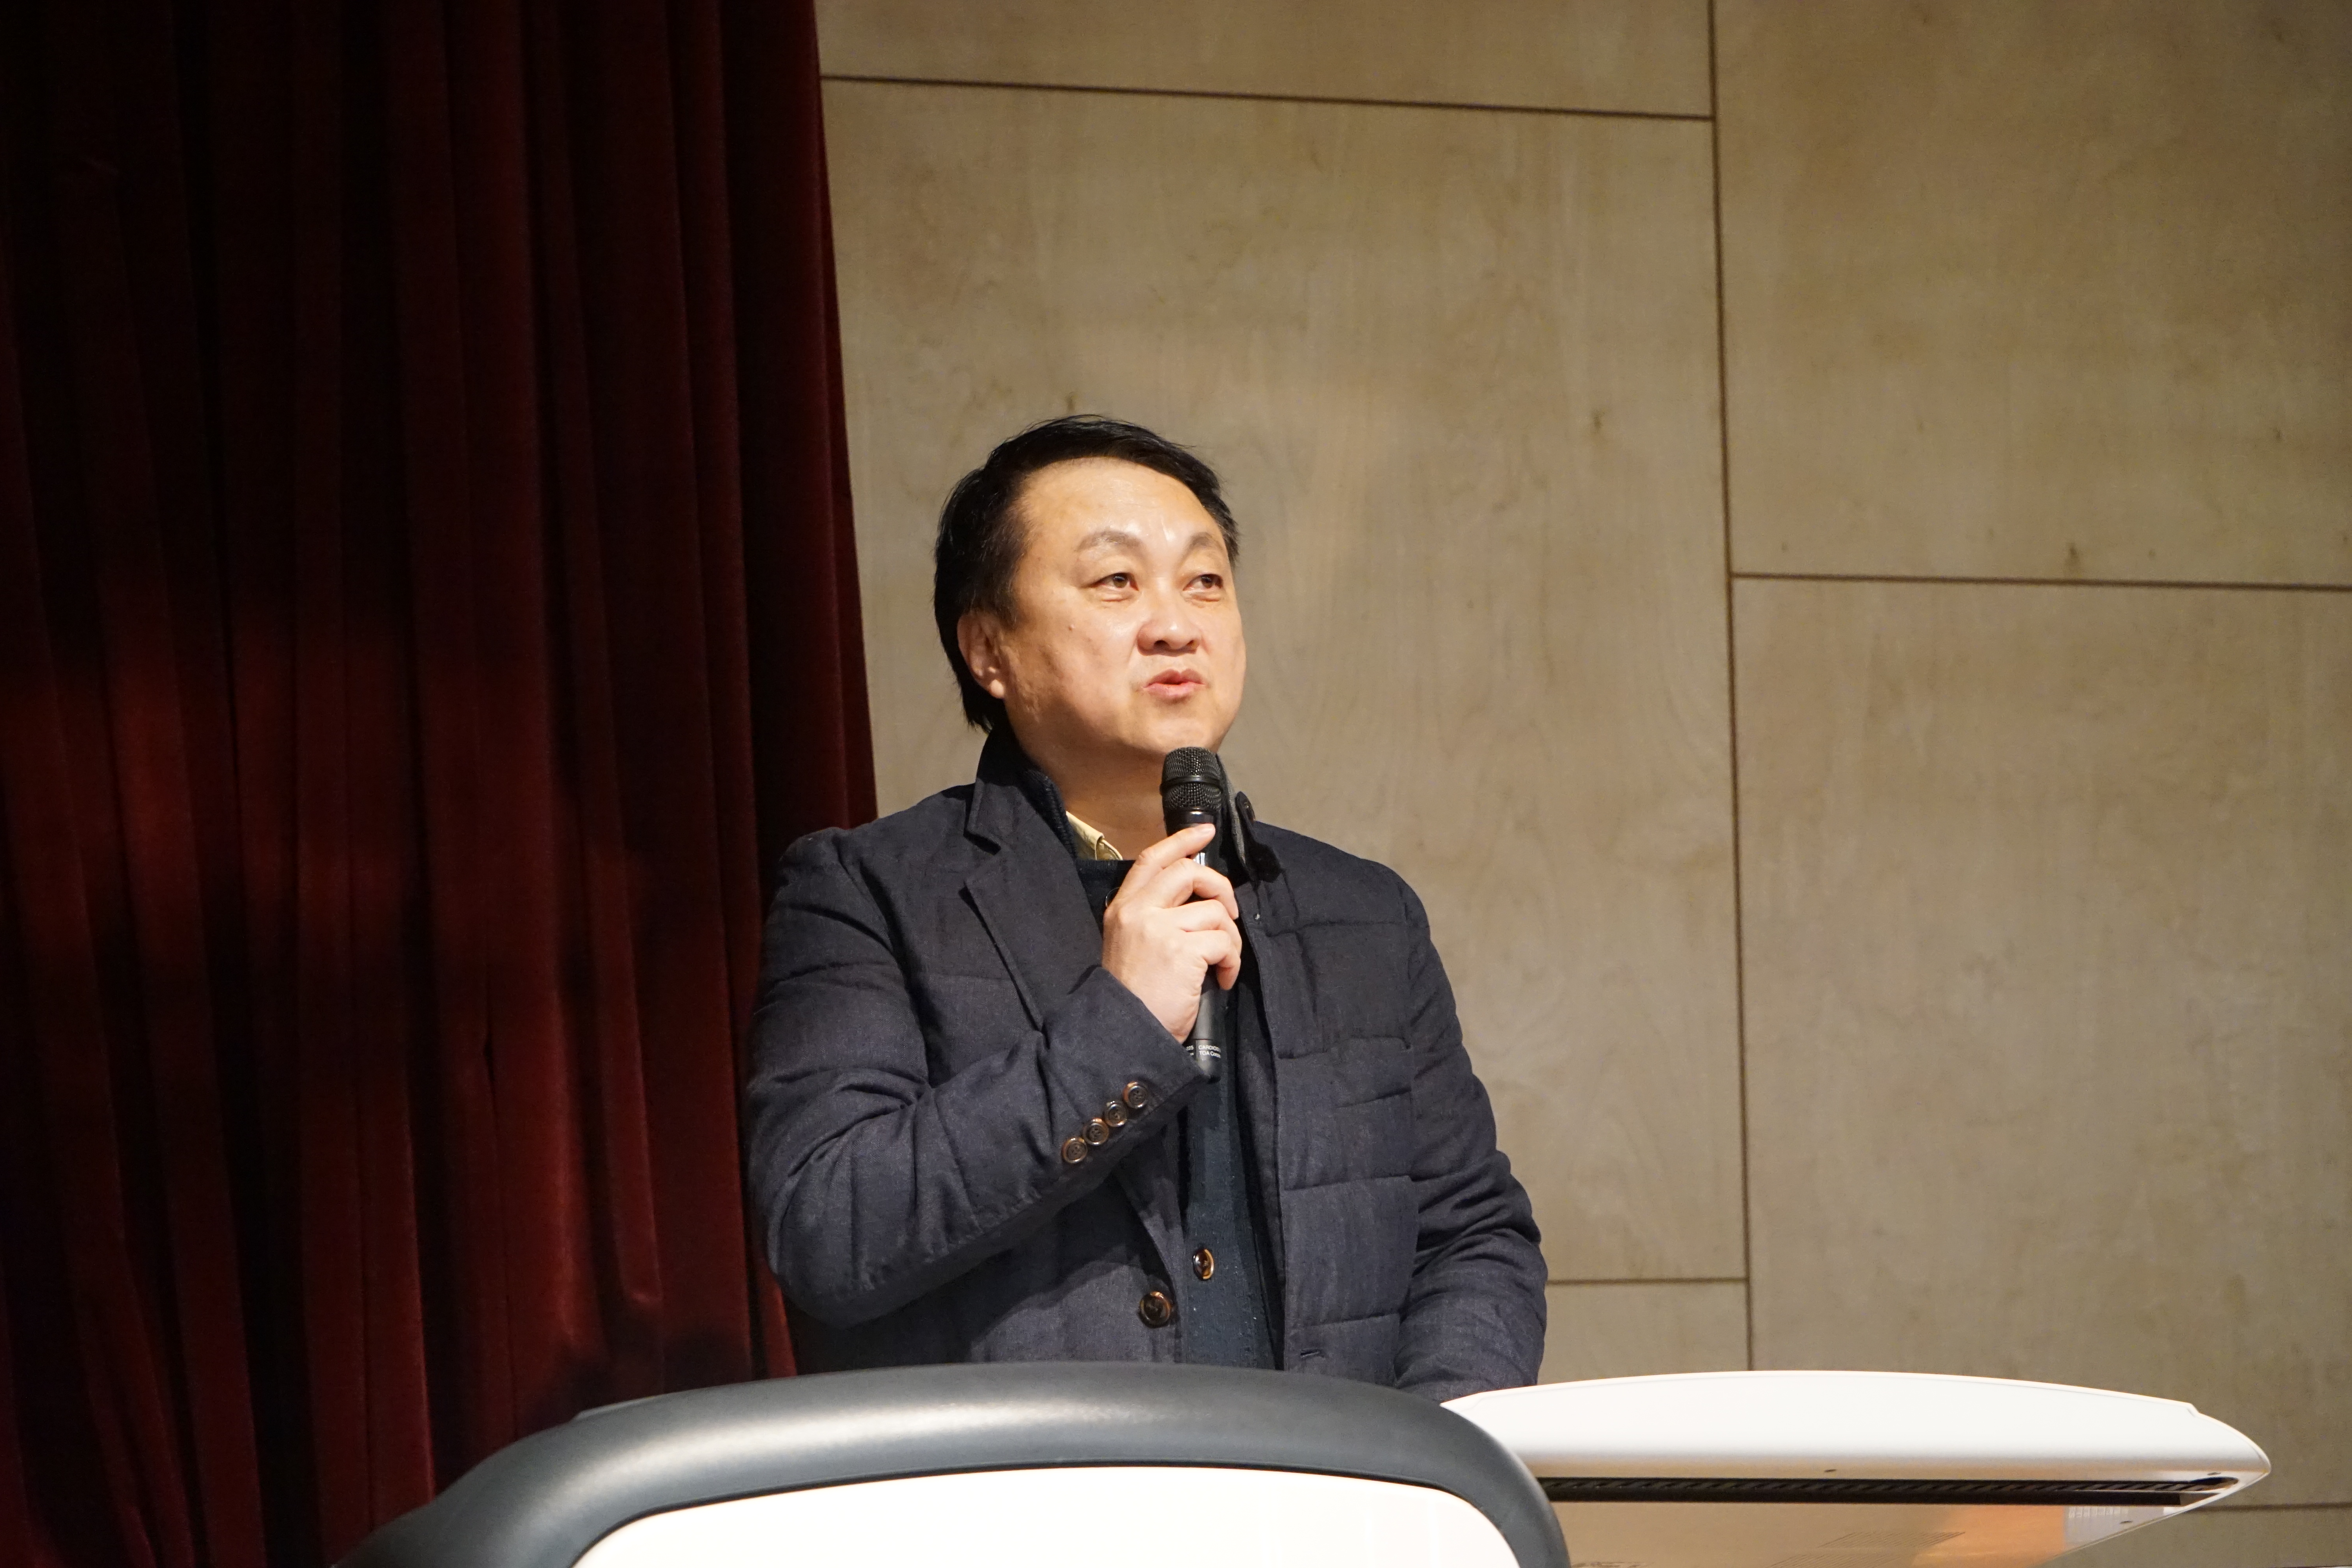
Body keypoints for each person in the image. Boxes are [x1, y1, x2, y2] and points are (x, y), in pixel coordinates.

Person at [744, 416, 1544, 1399]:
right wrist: (1118, 1028)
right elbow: (829, 1229)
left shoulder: (1364, 915)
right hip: (1039, 1482)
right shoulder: (870, 890)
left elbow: (1472, 1234)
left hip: (1338, 1484)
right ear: (990, 649)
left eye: (1204, 580)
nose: (1176, 623)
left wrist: (1427, 1450)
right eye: (1117, 581)